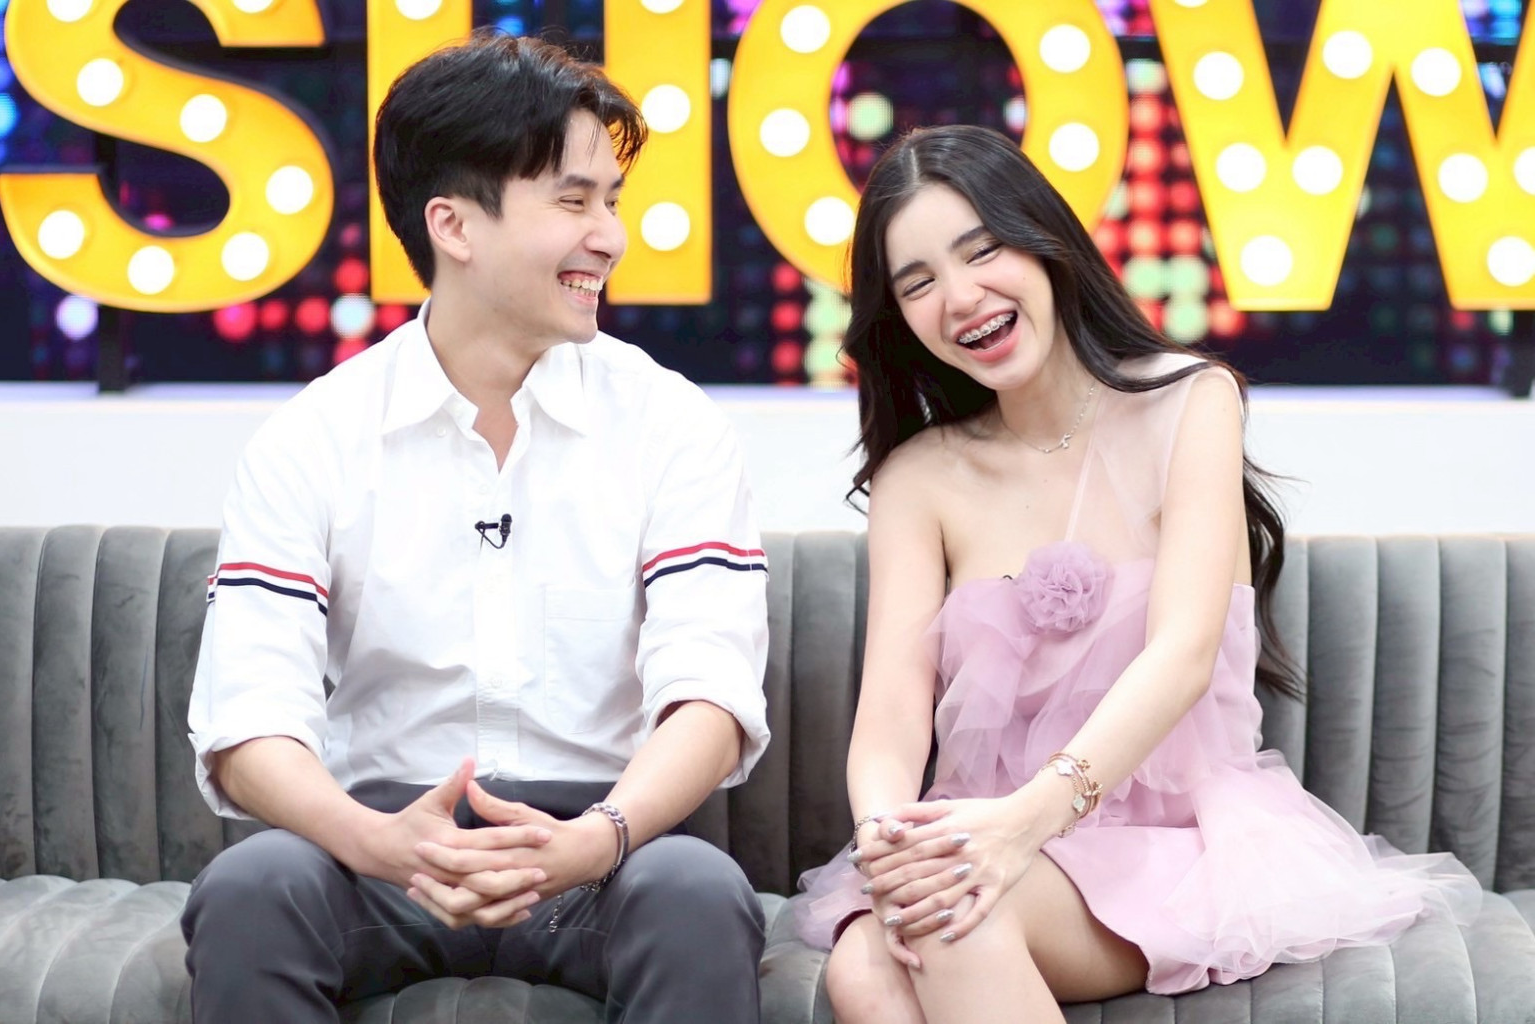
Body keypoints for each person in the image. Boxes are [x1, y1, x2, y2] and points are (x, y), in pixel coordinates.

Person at [792, 124, 1481, 1023]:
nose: (960, 297)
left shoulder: (1190, 401)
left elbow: (1183, 653)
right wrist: (887, 845)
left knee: (953, 921)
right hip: (979, 837)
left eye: (982, 250)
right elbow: (889, 719)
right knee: (863, 969)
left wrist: (1023, 824)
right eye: (917, 283)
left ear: (1045, 242)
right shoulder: (917, 478)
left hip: (1176, 843)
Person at [181, 32, 771, 1024]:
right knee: (252, 888)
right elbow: (247, 719)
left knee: (696, 891)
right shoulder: (313, 437)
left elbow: (710, 698)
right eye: (574, 202)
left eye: (612, 202)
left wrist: (598, 837)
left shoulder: (673, 425)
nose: (610, 237)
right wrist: (376, 841)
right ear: (453, 224)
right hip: (376, 849)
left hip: (603, 845)